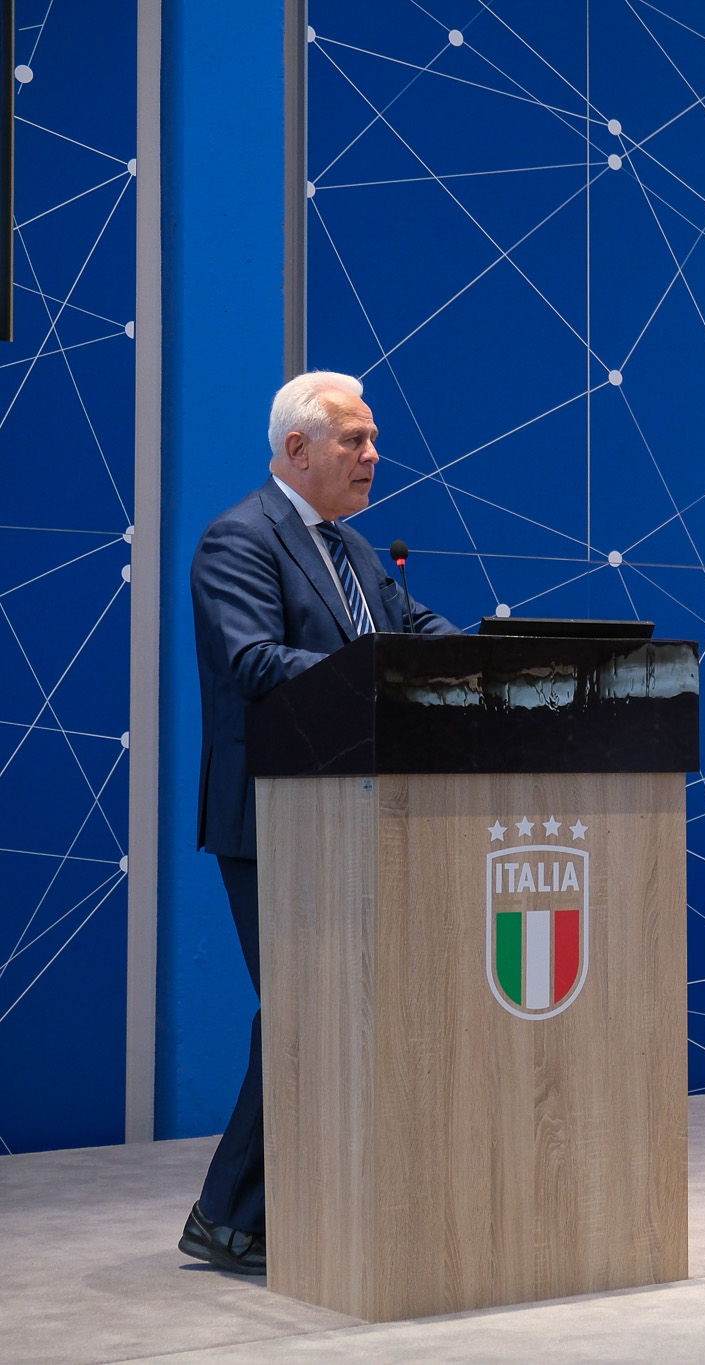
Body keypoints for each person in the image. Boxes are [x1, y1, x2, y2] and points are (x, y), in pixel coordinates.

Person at [181, 372, 458, 1275]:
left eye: (372, 438)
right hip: (276, 814)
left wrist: (488, 657)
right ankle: (229, 1214)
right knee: (307, 1006)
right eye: (355, 439)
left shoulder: (356, 549)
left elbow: (414, 629)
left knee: (333, 1005)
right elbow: (253, 660)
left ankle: (254, 1210)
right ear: (298, 448)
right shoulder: (238, 538)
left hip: (354, 809)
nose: (374, 454)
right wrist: (381, 670)